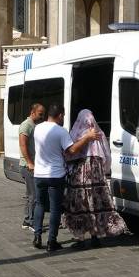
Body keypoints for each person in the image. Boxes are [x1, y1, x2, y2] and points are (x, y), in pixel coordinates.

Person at [32, 104, 101, 252]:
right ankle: (52, 241)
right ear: (60, 115)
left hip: (38, 174)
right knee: (55, 209)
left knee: (39, 205)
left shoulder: (37, 128)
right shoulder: (61, 131)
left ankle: (37, 236)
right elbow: (72, 150)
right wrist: (87, 137)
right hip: (55, 176)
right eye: (63, 116)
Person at [64, 109, 126, 249]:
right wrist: (104, 170)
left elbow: (69, 154)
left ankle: (80, 238)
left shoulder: (75, 133)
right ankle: (95, 236)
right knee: (95, 205)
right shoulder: (99, 134)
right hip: (97, 179)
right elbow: (107, 156)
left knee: (81, 205)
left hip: (80, 179)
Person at [19, 103, 45, 230]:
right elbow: (22, 144)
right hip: (27, 166)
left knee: (31, 194)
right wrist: (29, 162)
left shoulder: (34, 125)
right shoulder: (27, 124)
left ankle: (27, 220)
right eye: (40, 114)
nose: (42, 116)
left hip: (32, 165)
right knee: (34, 195)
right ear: (33, 112)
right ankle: (30, 221)